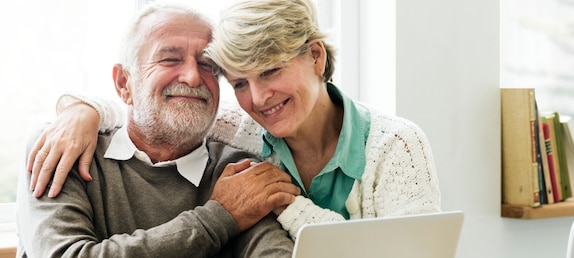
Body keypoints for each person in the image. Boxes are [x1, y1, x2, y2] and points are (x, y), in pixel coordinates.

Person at [0, 3, 299, 258]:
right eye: (170, 59)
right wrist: (217, 219)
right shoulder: (61, 147)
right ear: (124, 84)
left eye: (207, 65)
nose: (192, 76)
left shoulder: (237, 174)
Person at [29, 0, 441, 239]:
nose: (258, 99)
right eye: (240, 83)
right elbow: (156, 105)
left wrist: (287, 204)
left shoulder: (396, 145)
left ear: (315, 56)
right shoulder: (238, 129)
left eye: (271, 71)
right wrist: (82, 111)